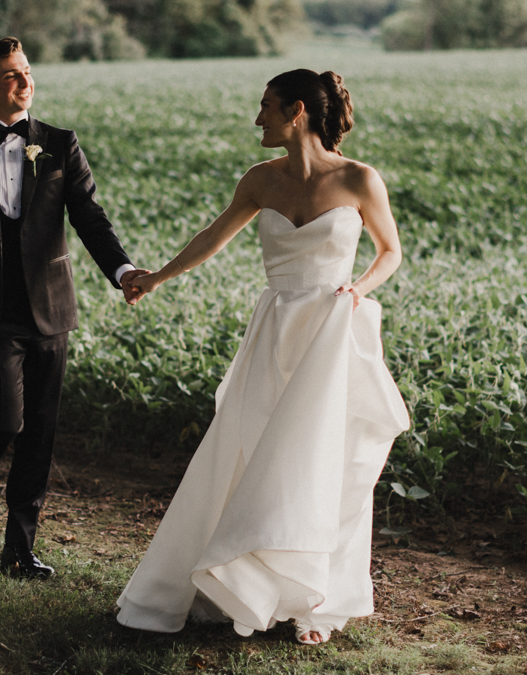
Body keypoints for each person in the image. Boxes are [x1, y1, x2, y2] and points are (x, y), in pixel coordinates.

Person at [115, 69, 410, 644]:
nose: (258, 119)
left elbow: (390, 251)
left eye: (266, 107)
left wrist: (360, 290)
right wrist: (157, 278)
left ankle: (313, 602)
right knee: (252, 450)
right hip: (274, 332)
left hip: (331, 330)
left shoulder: (359, 179)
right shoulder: (259, 180)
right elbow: (214, 236)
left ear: (296, 111)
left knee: (324, 459)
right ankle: (245, 585)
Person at [0, 37, 146, 578]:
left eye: (28, 72)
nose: (25, 82)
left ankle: (18, 550)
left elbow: (90, 217)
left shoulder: (60, 144)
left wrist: (123, 270)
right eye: (12, 75)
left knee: (39, 429)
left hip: (50, 310)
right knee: (2, 419)